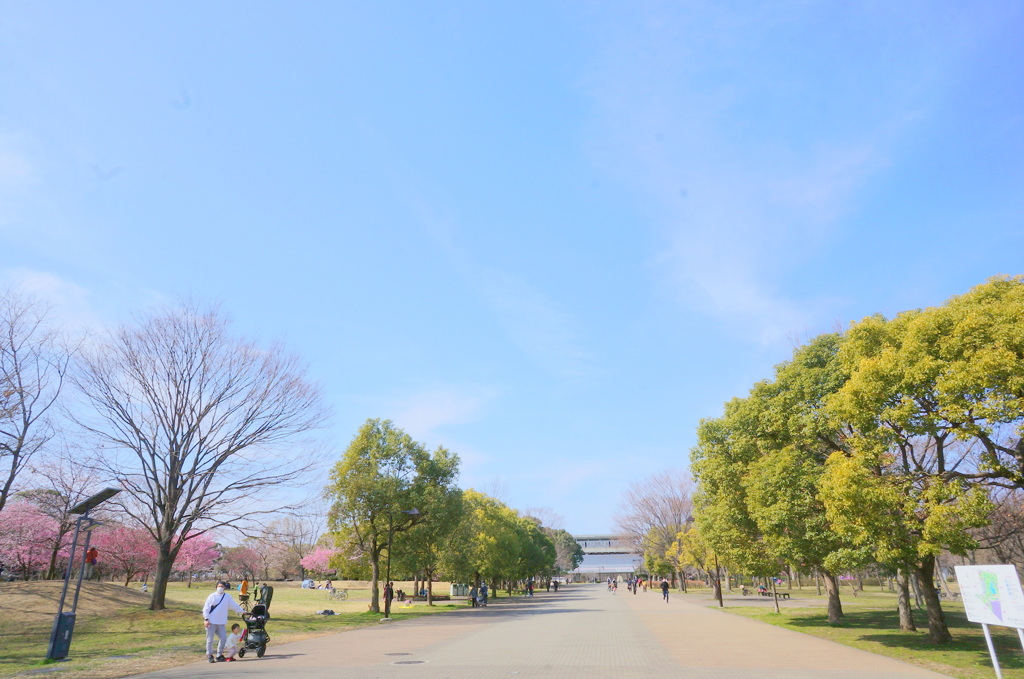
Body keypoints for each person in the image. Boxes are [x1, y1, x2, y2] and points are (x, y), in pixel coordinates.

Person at [203, 580, 245, 663]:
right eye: (219, 586)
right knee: (210, 639)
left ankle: (219, 655)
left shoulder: (227, 596)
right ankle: (210, 655)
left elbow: (234, 605)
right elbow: (206, 608)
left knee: (223, 638)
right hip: (211, 621)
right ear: (216, 587)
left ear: (225, 587)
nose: (220, 588)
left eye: (222, 586)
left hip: (221, 622)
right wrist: (206, 619)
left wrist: (242, 611)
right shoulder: (212, 596)